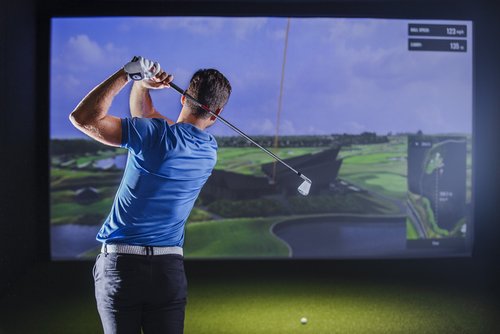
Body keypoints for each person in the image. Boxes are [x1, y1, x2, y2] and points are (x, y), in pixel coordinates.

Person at [69, 56, 232, 334]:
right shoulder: (208, 151)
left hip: (121, 267)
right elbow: (147, 118)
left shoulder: (153, 135)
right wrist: (142, 86)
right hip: (168, 271)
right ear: (216, 113)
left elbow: (83, 119)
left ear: (183, 99)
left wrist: (127, 75)